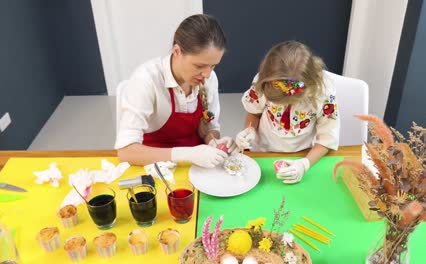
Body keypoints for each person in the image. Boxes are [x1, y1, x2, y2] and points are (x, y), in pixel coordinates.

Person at [115, 14, 237, 167]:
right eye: (199, 66)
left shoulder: (209, 78)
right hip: (155, 165)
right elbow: (126, 152)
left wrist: (214, 142)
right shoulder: (146, 80)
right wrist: (186, 154)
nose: (207, 74)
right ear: (177, 51)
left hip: (196, 164)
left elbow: (209, 127)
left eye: (213, 66)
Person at [235, 41, 340, 184]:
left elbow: (327, 138)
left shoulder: (324, 93)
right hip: (263, 152)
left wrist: (304, 164)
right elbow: (254, 112)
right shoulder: (264, 82)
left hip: (303, 154)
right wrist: (249, 129)